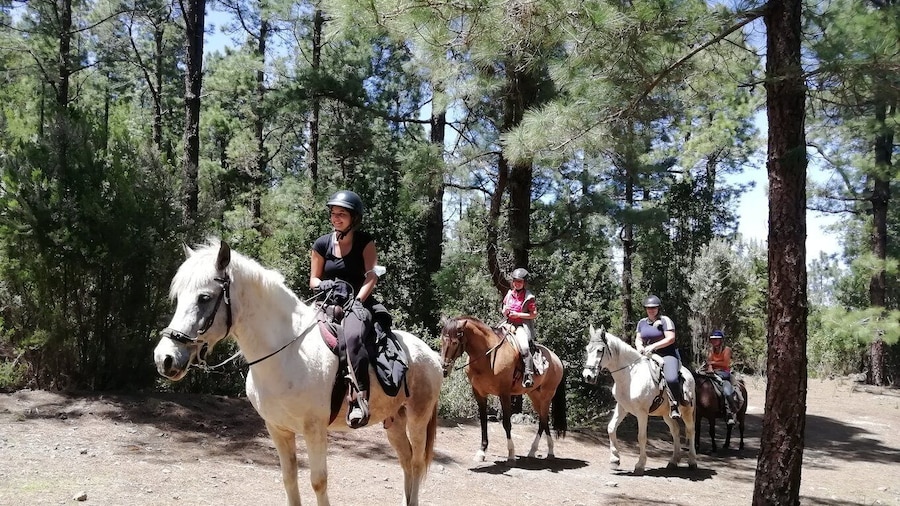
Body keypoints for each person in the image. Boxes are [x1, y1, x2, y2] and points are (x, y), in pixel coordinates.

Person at [310, 189, 391, 429]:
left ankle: (359, 399)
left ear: (353, 218)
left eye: (342, 214)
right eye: (333, 213)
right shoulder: (321, 244)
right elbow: (313, 279)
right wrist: (323, 285)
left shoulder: (365, 242)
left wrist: (357, 301)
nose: (336, 218)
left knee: (353, 337)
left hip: (357, 303)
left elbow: (371, 276)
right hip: (327, 302)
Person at [635, 294, 684, 419]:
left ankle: (674, 405)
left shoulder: (665, 320)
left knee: (671, 379)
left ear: (658, 308)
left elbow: (671, 338)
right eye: (648, 308)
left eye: (654, 307)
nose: (651, 310)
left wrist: (653, 346)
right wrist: (639, 347)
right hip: (647, 355)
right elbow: (638, 338)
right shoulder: (641, 322)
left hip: (666, 354)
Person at [501, 267, 538, 388]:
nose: (517, 284)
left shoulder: (529, 297)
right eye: (515, 281)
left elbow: (533, 314)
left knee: (525, 347)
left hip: (521, 326)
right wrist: (505, 311)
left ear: (524, 283)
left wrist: (518, 315)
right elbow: (504, 310)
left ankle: (528, 374)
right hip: (507, 323)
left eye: (520, 282)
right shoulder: (509, 294)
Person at [707, 330, 741, 426]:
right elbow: (709, 362)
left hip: (724, 373)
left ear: (721, 340)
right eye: (712, 339)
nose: (714, 341)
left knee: (727, 391)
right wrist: (710, 367)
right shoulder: (711, 350)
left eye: (716, 339)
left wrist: (712, 363)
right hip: (712, 373)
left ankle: (730, 412)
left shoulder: (727, 350)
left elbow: (725, 363)